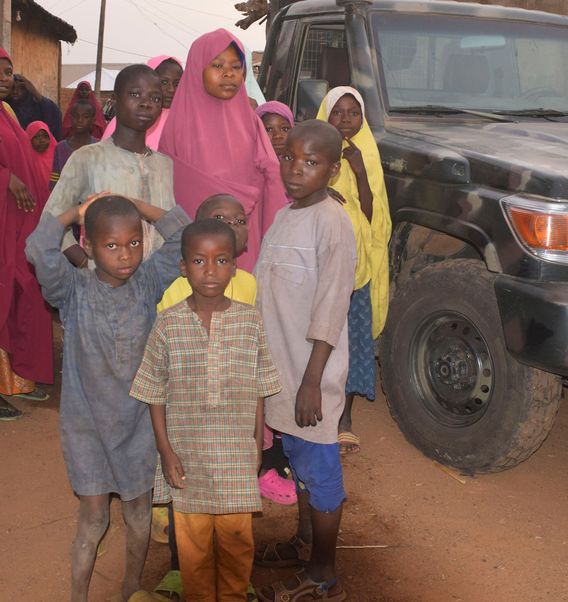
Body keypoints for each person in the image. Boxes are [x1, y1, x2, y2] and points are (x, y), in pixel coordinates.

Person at [24, 195, 191, 602]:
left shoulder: (149, 282)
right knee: (92, 519)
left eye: (134, 242)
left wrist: (136, 205)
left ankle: (131, 589)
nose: (125, 255)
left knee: (137, 516)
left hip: (138, 426)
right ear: (90, 245)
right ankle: (77, 596)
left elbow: (183, 234)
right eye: (111, 245)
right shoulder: (72, 289)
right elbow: (38, 247)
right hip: (87, 431)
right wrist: (76, 212)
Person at [132, 219, 281, 601]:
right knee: (193, 552)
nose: (210, 271)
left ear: (235, 266)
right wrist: (166, 452)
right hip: (188, 458)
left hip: (234, 455)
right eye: (199, 261)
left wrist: (257, 446)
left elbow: (261, 388)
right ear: (183, 267)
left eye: (221, 260)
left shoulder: (250, 321)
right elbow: (153, 392)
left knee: (236, 546)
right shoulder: (167, 324)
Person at [253, 121, 355, 602]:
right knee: (298, 463)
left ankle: (324, 572)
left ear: (333, 170)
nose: (296, 169)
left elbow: (332, 307)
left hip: (311, 376)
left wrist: (312, 383)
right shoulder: (284, 215)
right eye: (290, 157)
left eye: (311, 162)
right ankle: (302, 543)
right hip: (283, 371)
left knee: (321, 469)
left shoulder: (331, 222)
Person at [0, 46, 56, 418]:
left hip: (21, 224)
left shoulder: (7, 112)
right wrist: (4, 180)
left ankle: (22, 374)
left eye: (8, 71)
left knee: (26, 294)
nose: (3, 78)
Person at [159, 29, 284, 271]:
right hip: (197, 245)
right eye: (217, 65)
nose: (228, 73)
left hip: (246, 239)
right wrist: (236, 200)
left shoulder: (251, 121)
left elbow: (274, 179)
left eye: (236, 67)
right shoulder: (179, 126)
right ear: (197, 69)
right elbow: (171, 187)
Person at [318, 86, 392, 454]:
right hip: (322, 266)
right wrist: (322, 191)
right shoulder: (313, 150)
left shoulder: (368, 154)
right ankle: (318, 411)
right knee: (320, 340)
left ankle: (345, 417)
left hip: (356, 267)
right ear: (324, 116)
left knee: (353, 343)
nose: (345, 120)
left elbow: (373, 215)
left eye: (353, 113)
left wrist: (360, 171)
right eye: (337, 113)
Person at [45, 64, 174, 265]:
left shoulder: (164, 165)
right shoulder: (88, 158)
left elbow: (171, 225)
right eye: (135, 94)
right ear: (114, 100)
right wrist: (84, 264)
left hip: (158, 285)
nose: (146, 104)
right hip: (105, 287)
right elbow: (51, 220)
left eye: (155, 98)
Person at [102, 55, 182, 148]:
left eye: (177, 83)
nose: (171, 89)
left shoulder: (185, 120)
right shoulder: (127, 120)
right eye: (164, 82)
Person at [50, 93, 98, 190]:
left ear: (93, 120)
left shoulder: (99, 147)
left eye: (85, 117)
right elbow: (54, 184)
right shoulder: (60, 148)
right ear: (71, 118)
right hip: (66, 202)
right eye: (76, 116)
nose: (80, 120)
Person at [8, 72, 63, 140]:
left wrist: (34, 92)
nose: (15, 92)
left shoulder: (38, 106)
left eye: (21, 89)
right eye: (12, 88)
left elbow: (53, 114)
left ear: (27, 89)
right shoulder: (6, 107)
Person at [26, 121, 56, 185]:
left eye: (45, 136)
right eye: (36, 137)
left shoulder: (58, 157)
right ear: (29, 139)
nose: (42, 140)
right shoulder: (25, 161)